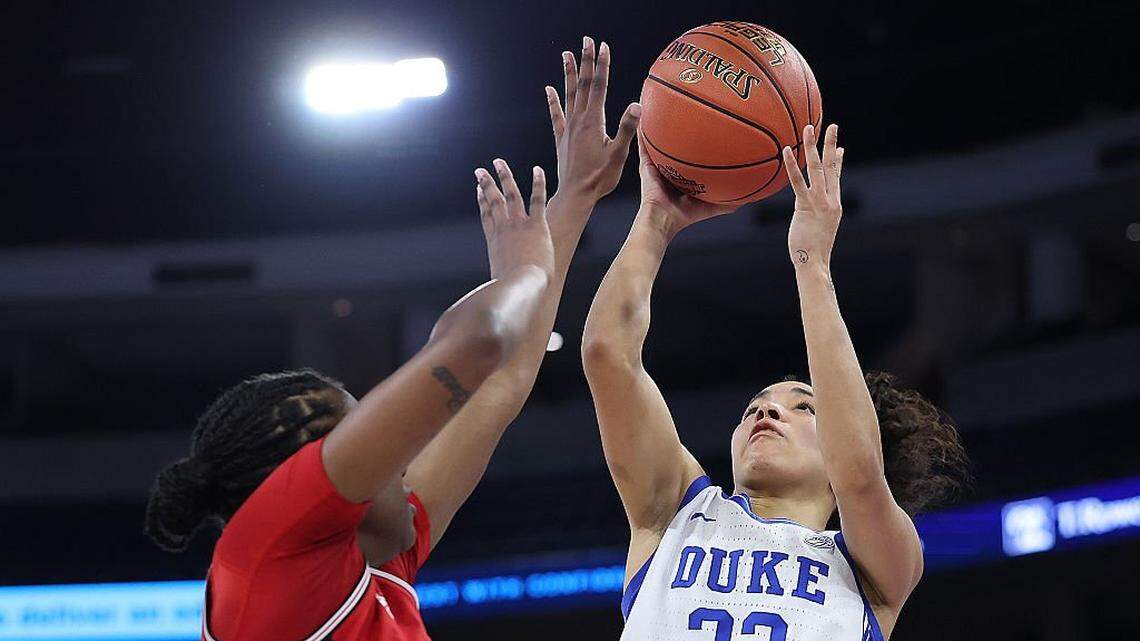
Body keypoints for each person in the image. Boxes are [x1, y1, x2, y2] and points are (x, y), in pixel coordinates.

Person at [144, 35, 640, 641]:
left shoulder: (372, 559)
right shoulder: (266, 553)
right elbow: (479, 342)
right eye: (382, 442)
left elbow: (500, 377)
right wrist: (524, 273)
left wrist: (576, 199)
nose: (402, 461)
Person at [581, 123, 970, 640]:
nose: (765, 413)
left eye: (804, 408)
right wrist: (654, 220)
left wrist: (812, 266)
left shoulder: (877, 569)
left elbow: (858, 473)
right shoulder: (676, 512)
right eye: (753, 408)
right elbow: (608, 355)